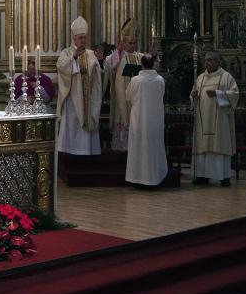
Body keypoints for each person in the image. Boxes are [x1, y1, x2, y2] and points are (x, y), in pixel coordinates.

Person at [56, 16, 104, 155]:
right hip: (73, 99)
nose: (83, 40)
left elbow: (98, 76)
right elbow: (61, 66)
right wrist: (75, 57)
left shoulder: (90, 54)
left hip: (88, 98)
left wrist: (100, 62)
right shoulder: (67, 52)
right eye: (81, 37)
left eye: (85, 37)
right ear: (74, 38)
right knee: (72, 123)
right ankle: (70, 149)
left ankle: (87, 150)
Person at [190, 51, 239, 186]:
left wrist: (217, 94)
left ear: (218, 61)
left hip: (220, 121)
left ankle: (223, 177)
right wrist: (193, 96)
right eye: (206, 60)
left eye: (211, 60)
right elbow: (193, 97)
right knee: (203, 147)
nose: (208, 62)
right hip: (203, 121)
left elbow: (234, 95)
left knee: (219, 146)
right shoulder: (200, 78)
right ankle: (202, 175)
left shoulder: (226, 77)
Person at [125, 54, 167, 187]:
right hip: (155, 120)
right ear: (153, 64)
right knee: (153, 148)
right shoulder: (160, 80)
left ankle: (137, 178)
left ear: (141, 65)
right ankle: (154, 177)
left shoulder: (136, 80)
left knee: (139, 147)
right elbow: (162, 95)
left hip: (139, 120)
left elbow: (128, 97)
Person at [105, 19, 143, 151]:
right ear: (124, 43)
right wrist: (119, 51)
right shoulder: (118, 56)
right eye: (129, 43)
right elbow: (110, 65)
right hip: (122, 97)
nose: (132, 46)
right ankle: (121, 148)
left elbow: (150, 67)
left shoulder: (139, 56)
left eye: (134, 43)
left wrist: (155, 55)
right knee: (123, 119)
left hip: (136, 98)